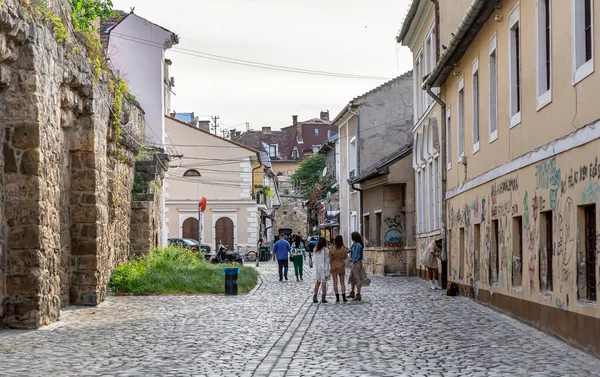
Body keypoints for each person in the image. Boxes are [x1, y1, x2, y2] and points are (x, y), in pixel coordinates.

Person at [348, 232, 371, 301]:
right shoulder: (355, 244)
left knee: (357, 278)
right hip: (354, 263)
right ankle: (352, 292)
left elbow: (357, 255)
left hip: (356, 263)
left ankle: (358, 294)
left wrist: (353, 262)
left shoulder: (358, 245)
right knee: (352, 278)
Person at [329, 235, 348, 302]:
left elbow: (330, 258)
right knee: (342, 282)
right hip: (341, 266)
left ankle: (337, 297)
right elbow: (345, 257)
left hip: (334, 266)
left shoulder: (332, 248)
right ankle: (344, 297)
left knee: (335, 282)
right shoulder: (344, 248)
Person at [312, 237, 330, 303]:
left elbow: (314, 259)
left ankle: (315, 296)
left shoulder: (316, 250)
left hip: (318, 268)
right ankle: (323, 297)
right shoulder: (326, 250)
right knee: (324, 282)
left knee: (318, 282)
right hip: (324, 267)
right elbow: (328, 260)